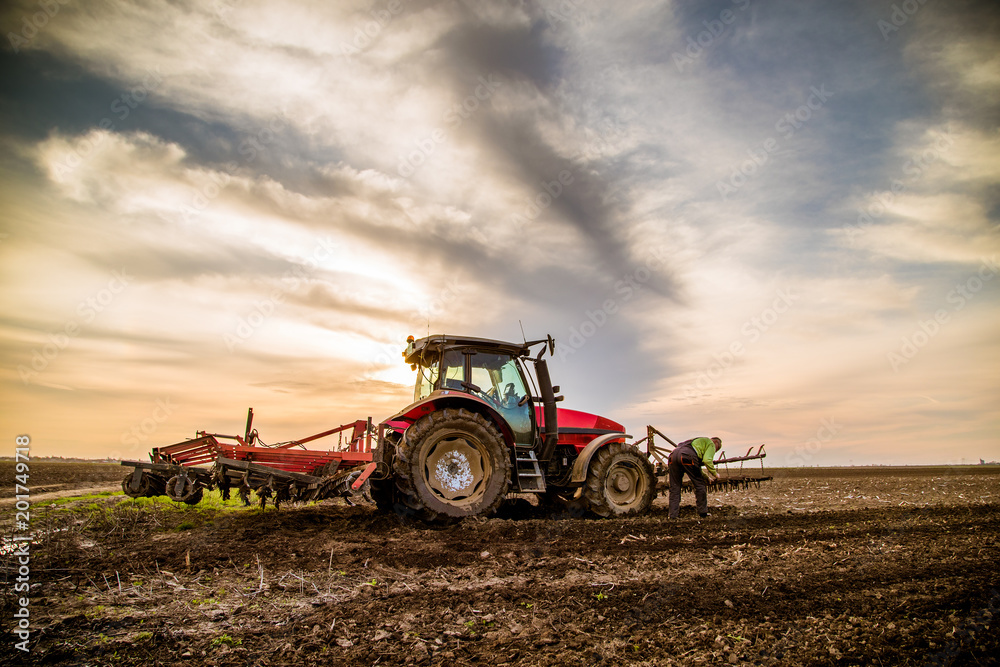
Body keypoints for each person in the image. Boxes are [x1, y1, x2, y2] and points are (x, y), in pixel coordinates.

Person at [668, 436, 721, 519]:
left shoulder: (694, 442)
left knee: (675, 487)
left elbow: (696, 467)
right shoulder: (711, 443)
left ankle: (673, 516)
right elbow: (707, 460)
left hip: (673, 457)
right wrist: (715, 474)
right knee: (700, 485)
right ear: (716, 444)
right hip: (687, 457)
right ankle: (703, 513)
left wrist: (706, 477)